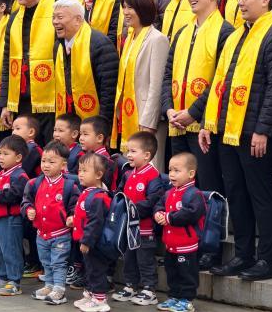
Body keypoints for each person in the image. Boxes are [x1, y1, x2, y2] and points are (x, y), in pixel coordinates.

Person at [203, 0, 272, 281]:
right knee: (236, 194)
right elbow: (221, 82)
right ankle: (243, 254)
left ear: (265, 1)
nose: (241, 2)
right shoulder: (236, 34)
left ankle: (267, 259)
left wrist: (263, 130)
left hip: (254, 132)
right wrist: (209, 123)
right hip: (228, 129)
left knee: (260, 195)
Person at [163, 0, 232, 197]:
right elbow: (168, 74)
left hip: (203, 124)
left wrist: (193, 112)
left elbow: (221, 80)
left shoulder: (225, 32)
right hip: (177, 121)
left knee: (207, 185)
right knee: (180, 186)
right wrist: (169, 109)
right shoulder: (183, 32)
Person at [0, 0, 56, 146]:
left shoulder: (56, 13)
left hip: (50, 97)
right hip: (21, 97)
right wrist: (6, 103)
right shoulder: (14, 18)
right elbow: (7, 62)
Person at [113, 0, 169, 169]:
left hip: (146, 116)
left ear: (143, 9)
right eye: (124, 7)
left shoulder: (157, 39)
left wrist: (148, 122)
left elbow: (156, 84)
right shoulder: (130, 38)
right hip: (129, 113)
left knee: (150, 167)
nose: (126, 12)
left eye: (131, 7)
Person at [22, 141, 81, 304]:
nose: (46, 165)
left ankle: (59, 289)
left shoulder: (69, 185)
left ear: (63, 165)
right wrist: (28, 209)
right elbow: (26, 201)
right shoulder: (34, 183)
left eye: (51, 162)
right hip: (41, 233)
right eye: (43, 161)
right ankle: (49, 285)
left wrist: (72, 217)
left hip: (60, 233)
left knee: (58, 262)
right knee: (46, 262)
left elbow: (75, 206)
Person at [113, 132, 165, 306]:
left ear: (147, 155)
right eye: (128, 151)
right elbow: (120, 194)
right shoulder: (128, 173)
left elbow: (153, 201)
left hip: (145, 229)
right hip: (129, 228)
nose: (128, 155)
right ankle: (130, 286)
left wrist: (131, 209)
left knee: (145, 260)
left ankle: (149, 290)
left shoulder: (153, 175)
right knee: (129, 259)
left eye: (133, 151)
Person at [154, 152, 206, 312]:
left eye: (177, 170)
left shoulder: (194, 194)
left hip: (186, 244)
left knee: (187, 274)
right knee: (172, 272)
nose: (171, 174)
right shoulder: (169, 192)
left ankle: (186, 300)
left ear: (191, 174)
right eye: (170, 170)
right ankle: (174, 296)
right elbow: (159, 204)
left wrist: (169, 218)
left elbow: (190, 214)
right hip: (171, 244)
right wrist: (158, 213)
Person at [52, 0, 118, 125]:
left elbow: (108, 91)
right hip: (68, 119)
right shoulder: (58, 46)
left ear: (78, 19)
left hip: (93, 121)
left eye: (60, 17)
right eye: (53, 17)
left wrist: (103, 124)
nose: (55, 22)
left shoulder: (99, 44)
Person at [0, 135, 30, 296]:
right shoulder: (2, 173)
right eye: (0, 153)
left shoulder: (20, 176)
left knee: (11, 250)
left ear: (18, 157)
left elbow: (14, 195)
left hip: (11, 219)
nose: (1, 157)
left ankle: (14, 281)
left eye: (6, 154)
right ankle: (2, 277)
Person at [71, 153, 112, 312]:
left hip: (94, 243)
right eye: (79, 170)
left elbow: (95, 222)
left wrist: (87, 241)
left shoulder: (99, 196)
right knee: (89, 269)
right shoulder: (88, 192)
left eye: (85, 171)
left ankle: (100, 300)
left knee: (96, 270)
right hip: (86, 241)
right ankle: (90, 294)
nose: (80, 174)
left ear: (98, 174)